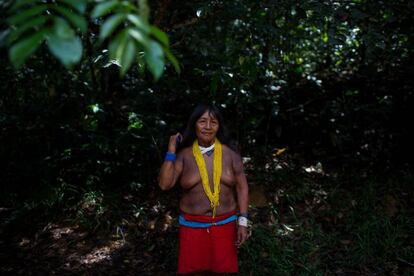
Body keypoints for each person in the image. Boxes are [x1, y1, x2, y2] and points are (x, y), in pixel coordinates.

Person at [158, 104, 250, 274]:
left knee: (224, 271)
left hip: (225, 224)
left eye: (213, 122)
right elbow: (165, 184)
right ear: (194, 124)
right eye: (202, 121)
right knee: (194, 272)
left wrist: (243, 222)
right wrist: (171, 150)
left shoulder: (230, 155)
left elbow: (242, 187)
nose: (208, 127)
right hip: (192, 226)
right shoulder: (184, 155)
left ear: (219, 126)